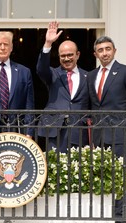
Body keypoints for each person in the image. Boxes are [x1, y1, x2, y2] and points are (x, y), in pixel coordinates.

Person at [87, 35, 126, 223]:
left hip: (120, 133)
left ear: (114, 51)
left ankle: (120, 221)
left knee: (120, 177)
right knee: (102, 176)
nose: (105, 53)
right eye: (101, 50)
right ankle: (103, 217)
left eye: (108, 49)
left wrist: (124, 121)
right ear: (96, 54)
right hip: (99, 134)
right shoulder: (91, 75)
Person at [36, 21, 90, 152]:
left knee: (78, 170)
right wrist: (48, 44)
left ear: (77, 55)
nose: (66, 59)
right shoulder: (53, 74)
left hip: (79, 131)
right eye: (63, 56)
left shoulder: (89, 76)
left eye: (70, 55)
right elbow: (41, 69)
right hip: (55, 130)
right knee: (56, 168)